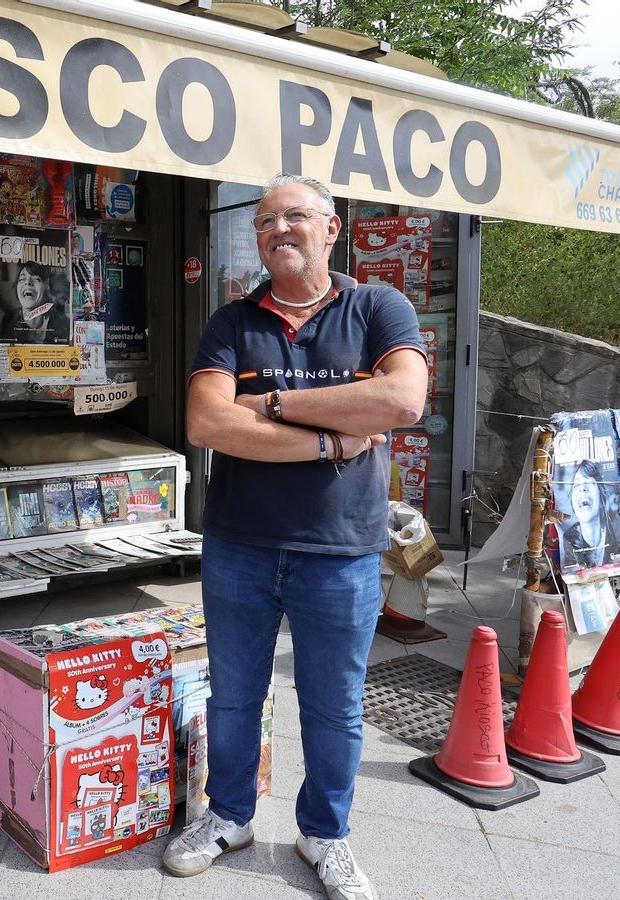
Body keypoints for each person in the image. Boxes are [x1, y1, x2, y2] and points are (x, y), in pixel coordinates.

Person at [164, 174, 427, 900]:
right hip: (240, 544)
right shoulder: (231, 322)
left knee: (335, 704)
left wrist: (273, 404)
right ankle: (229, 816)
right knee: (234, 696)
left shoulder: (378, 307)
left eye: (295, 216)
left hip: (342, 549)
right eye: (265, 221)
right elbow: (209, 424)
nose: (279, 229)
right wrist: (331, 442)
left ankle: (325, 834)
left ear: (330, 228)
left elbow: (400, 399)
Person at [0, 262, 70, 344]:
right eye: (22, 279)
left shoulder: (62, 323)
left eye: (36, 279)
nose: (28, 282)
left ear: (46, 286)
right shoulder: (9, 320)